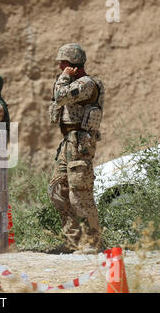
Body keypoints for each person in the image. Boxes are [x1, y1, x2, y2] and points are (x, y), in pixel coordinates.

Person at [48, 43, 105, 254]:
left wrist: (63, 79)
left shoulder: (87, 84)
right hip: (68, 141)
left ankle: (92, 241)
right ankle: (73, 240)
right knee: (57, 191)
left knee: (79, 192)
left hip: (81, 143)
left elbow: (61, 96)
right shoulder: (70, 82)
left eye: (63, 64)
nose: (60, 68)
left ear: (73, 64)